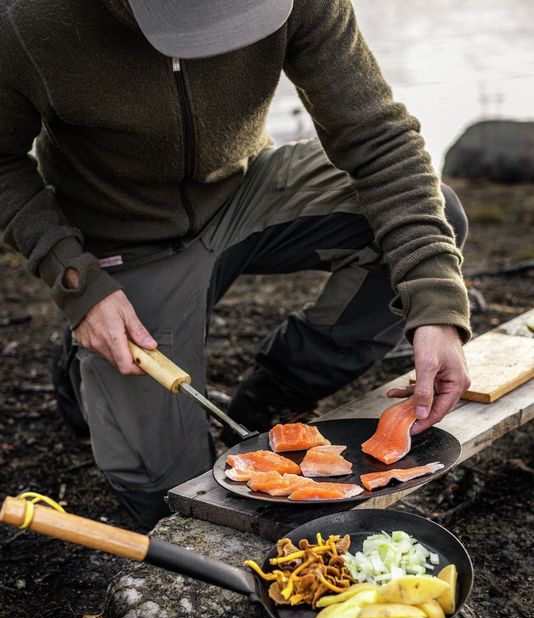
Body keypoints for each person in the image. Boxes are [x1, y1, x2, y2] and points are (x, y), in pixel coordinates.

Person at [0, 0, 470, 529]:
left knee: (436, 221)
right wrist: (77, 283)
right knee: (174, 496)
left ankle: (270, 395)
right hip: (122, 240)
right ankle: (81, 359)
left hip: (245, 192)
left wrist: (436, 308)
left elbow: (379, 140)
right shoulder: (28, 19)